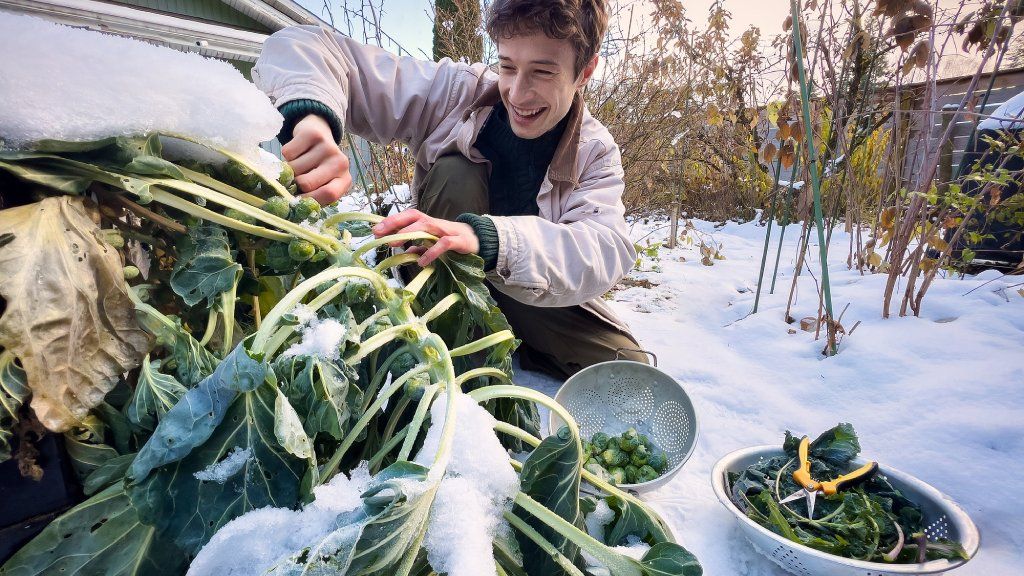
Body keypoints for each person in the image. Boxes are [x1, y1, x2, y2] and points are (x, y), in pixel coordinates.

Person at [253, 0, 647, 379]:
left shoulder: (595, 151)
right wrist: (311, 119)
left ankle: (506, 335)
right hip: (437, 268)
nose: (518, 93)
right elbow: (301, 43)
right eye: (508, 66)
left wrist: (489, 240)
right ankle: (449, 345)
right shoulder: (456, 93)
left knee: (630, 368)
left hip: (524, 284)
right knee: (456, 172)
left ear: (585, 71)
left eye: (543, 72)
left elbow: (604, 247)